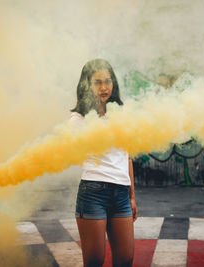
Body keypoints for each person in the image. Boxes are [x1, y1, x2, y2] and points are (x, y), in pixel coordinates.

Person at [69, 58, 137, 267]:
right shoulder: (78, 119)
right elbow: (75, 156)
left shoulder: (120, 115)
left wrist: (132, 196)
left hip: (121, 195)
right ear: (87, 85)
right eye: (97, 82)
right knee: (94, 262)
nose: (104, 87)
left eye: (108, 81)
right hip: (93, 192)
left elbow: (127, 156)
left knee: (125, 260)